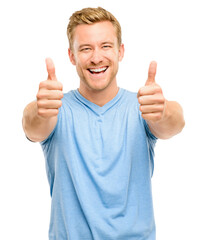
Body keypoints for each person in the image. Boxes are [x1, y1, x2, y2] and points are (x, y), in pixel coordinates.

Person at [22, 7, 185, 240]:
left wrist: (164, 111)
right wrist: (40, 111)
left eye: (105, 46)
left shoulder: (142, 107)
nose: (96, 57)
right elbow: (32, 126)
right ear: (71, 56)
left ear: (121, 51)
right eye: (85, 48)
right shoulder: (56, 108)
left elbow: (175, 123)